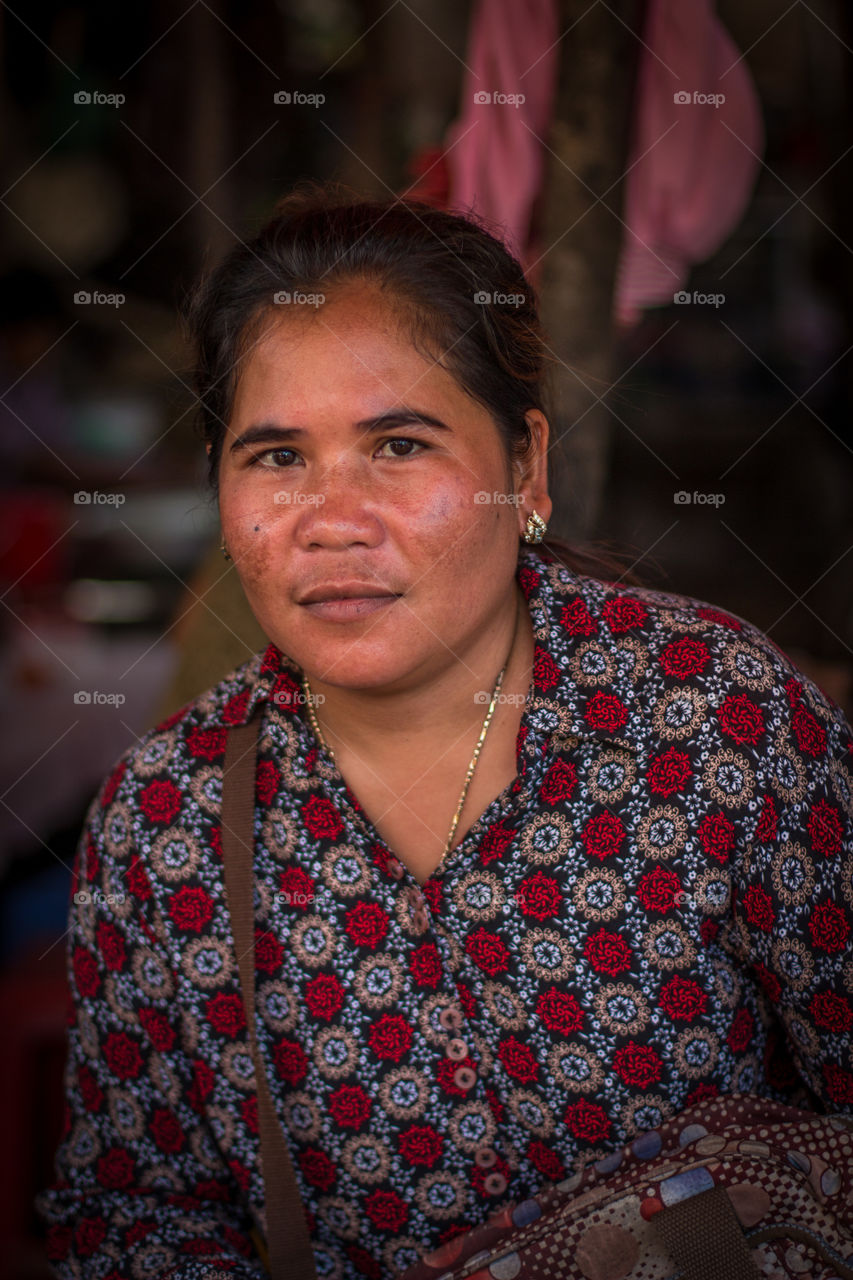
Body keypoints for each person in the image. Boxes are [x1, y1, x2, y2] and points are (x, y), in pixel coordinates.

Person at [36, 188, 853, 1280]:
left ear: (524, 468)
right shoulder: (163, 824)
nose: (333, 515)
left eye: (400, 444)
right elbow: (132, 1213)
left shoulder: (713, 719)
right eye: (276, 456)